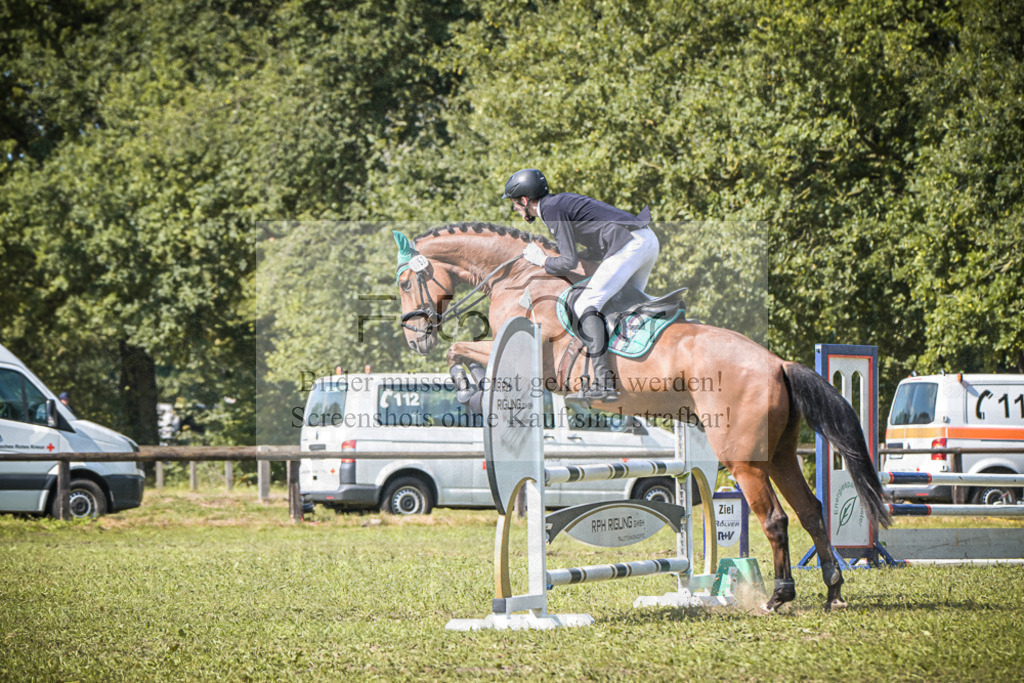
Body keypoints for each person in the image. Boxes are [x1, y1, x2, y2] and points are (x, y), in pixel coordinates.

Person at [502, 168, 659, 401]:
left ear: (525, 200)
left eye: (515, 203)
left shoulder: (551, 209)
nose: (515, 208)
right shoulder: (558, 202)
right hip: (645, 240)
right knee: (626, 305)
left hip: (630, 244)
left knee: (587, 302)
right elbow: (593, 244)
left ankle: (604, 384)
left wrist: (542, 260)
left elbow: (568, 261)